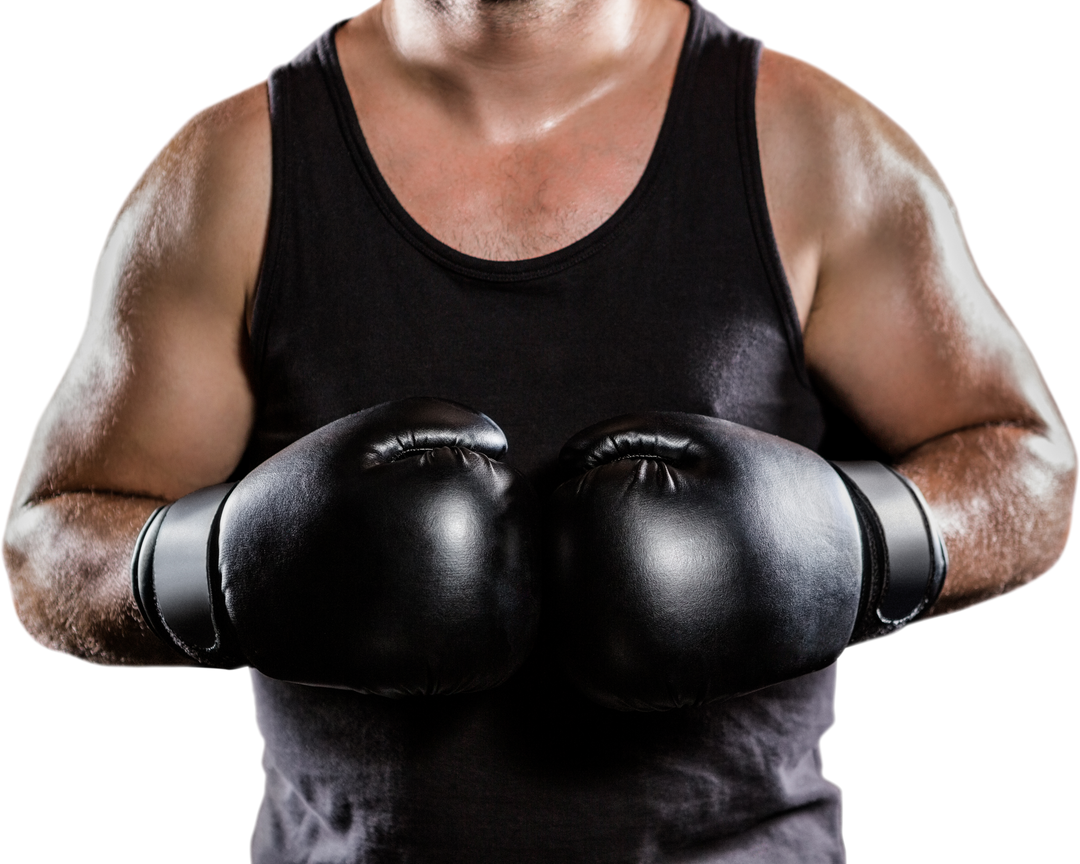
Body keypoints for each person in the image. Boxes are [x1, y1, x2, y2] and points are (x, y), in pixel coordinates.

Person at [3, 2, 1076, 861]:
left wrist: (857, 538)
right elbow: (47, 545)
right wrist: (227, 563)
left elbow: (1029, 464)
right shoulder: (238, 168)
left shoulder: (808, 142)